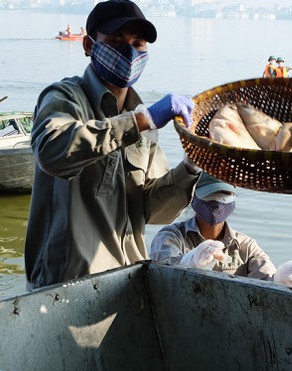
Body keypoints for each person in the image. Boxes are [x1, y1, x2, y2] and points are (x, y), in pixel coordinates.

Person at [25, 0, 200, 290]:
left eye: (138, 43)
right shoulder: (64, 98)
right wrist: (139, 122)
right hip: (65, 285)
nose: (129, 52)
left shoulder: (144, 117)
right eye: (116, 41)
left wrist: (191, 167)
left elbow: (154, 211)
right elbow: (51, 151)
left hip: (127, 282)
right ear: (89, 45)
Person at [150, 173, 277, 280]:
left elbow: (269, 280)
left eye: (224, 194)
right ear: (194, 196)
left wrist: (284, 279)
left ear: (233, 200)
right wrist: (189, 261)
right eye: (210, 194)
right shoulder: (171, 236)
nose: (217, 202)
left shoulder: (246, 247)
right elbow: (162, 267)